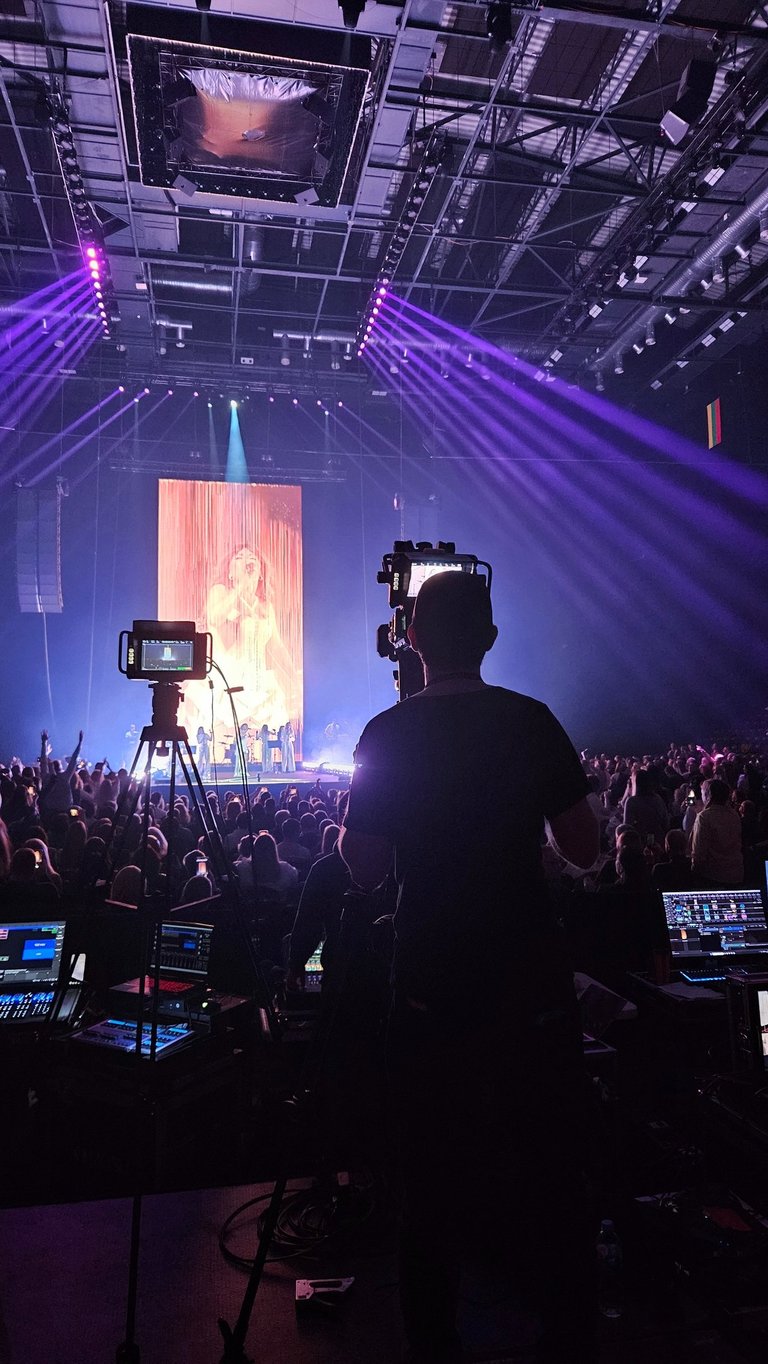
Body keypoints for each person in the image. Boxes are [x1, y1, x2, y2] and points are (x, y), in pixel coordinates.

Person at [340, 570, 599, 1364]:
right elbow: (585, 848)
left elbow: (364, 867)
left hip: (431, 987)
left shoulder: (387, 733)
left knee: (430, 1183)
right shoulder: (532, 720)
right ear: (489, 638)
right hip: (530, 985)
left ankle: (436, 1342)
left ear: (411, 640)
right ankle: (564, 1336)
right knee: (552, 1173)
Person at [691, 778, 744, 886]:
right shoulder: (734, 814)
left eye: (702, 793)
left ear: (708, 795)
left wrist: (693, 873)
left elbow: (699, 854)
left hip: (714, 876)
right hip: (736, 873)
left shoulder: (704, 817)